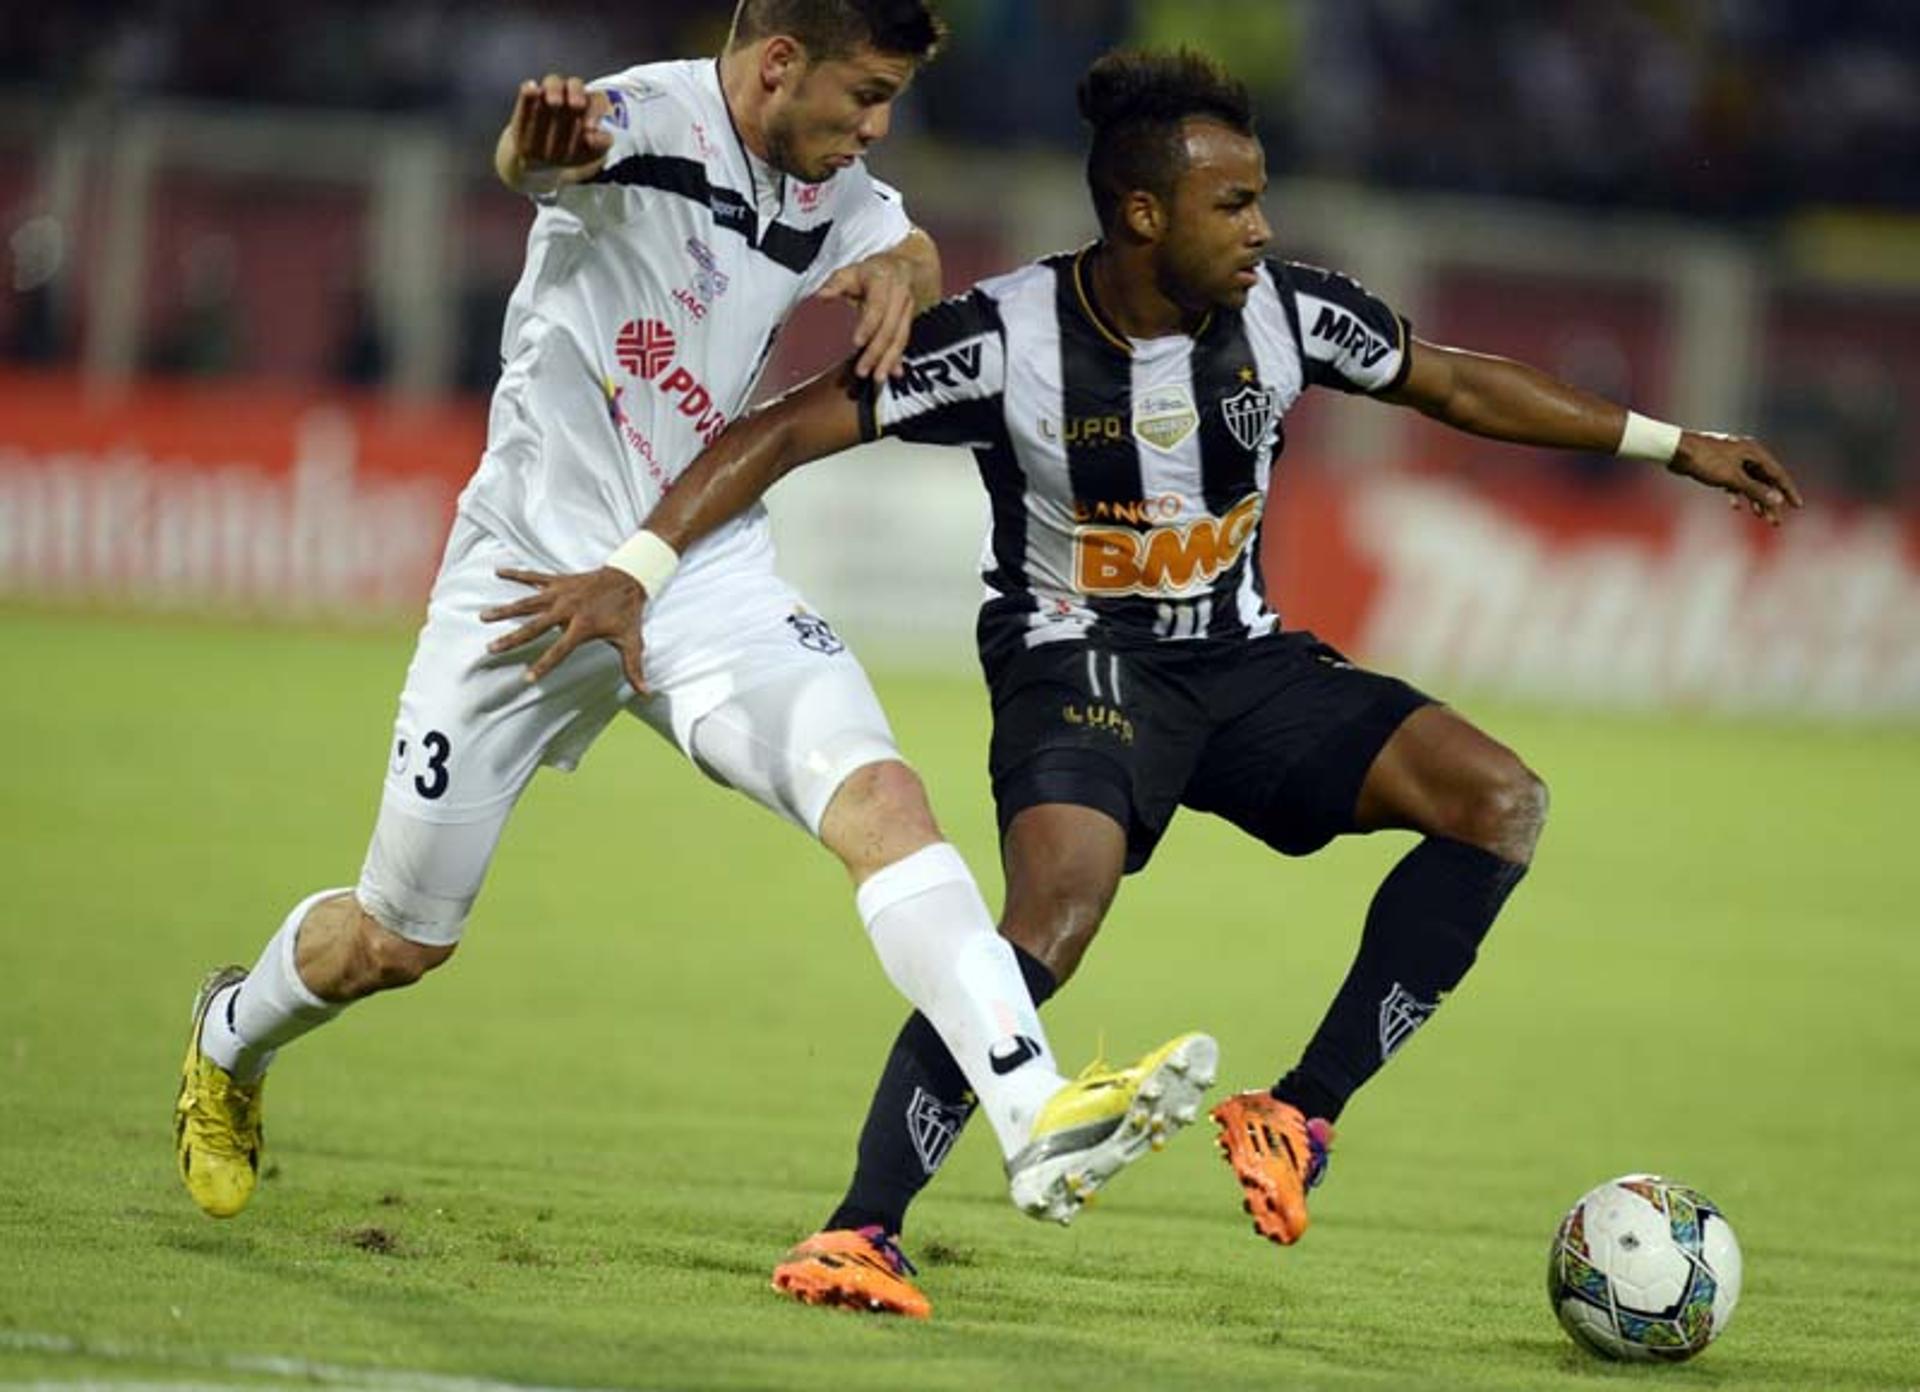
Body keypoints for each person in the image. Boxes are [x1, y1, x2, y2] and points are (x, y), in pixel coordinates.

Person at [483, 48, 1802, 1319]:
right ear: (1139, 210)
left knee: (1498, 801)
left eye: (1261, 198)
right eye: (1232, 202)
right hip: (1079, 666)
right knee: (1053, 916)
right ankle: (858, 1226)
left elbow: (1456, 383)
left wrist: (1676, 444)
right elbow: (785, 427)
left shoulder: (1293, 315)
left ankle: (1299, 1111)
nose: (1260, 228)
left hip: (1242, 662)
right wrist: (642, 568)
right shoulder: (1005, 337)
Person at [173, 4, 1219, 1269]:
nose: (879, 128)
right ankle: (232, 1032)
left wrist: (908, 267)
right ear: (779, 64)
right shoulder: (647, 121)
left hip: (701, 574)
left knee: (882, 800)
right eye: (867, 94)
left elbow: (910, 245)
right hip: (530, 588)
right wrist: (534, 142)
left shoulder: (831, 175)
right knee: (396, 942)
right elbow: (543, 156)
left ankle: (1034, 1111)